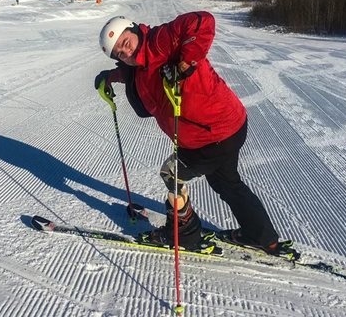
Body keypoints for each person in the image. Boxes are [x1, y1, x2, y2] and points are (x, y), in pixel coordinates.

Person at [94, 13, 290, 254]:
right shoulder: (137, 63)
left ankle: (184, 236)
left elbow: (203, 21)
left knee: (171, 173)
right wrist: (110, 76)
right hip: (226, 126)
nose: (126, 53)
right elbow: (134, 69)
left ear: (135, 31)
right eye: (119, 54)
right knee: (227, 182)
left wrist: (187, 61)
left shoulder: (160, 41)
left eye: (126, 43)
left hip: (211, 135)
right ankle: (261, 235)